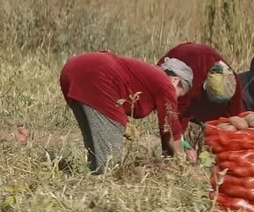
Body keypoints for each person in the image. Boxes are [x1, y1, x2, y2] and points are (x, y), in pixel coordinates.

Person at [58, 52, 186, 175]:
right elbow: (171, 128)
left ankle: (87, 179)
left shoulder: (149, 75)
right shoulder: (166, 83)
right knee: (109, 167)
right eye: (179, 95)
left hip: (73, 69)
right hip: (97, 76)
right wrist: (182, 164)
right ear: (175, 80)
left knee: (96, 160)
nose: (176, 99)